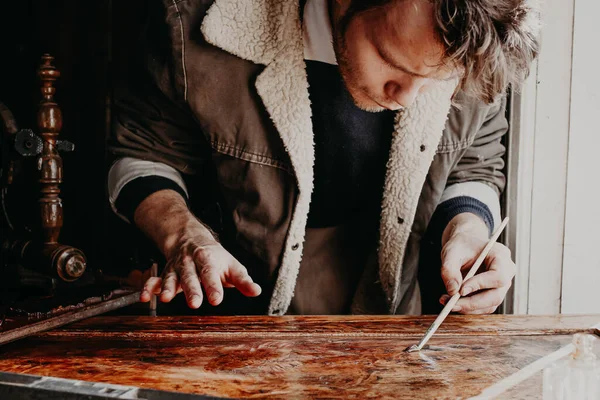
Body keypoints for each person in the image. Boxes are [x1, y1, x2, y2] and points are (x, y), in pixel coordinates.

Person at [107, 0, 539, 316]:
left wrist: (466, 231)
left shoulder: (479, 40)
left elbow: (474, 164)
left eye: (434, 80)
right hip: (227, 323)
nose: (407, 99)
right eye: (390, 61)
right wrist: (184, 236)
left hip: (388, 319)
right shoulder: (196, 27)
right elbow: (142, 156)